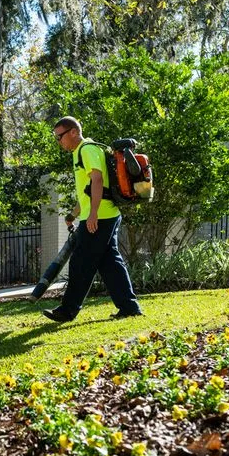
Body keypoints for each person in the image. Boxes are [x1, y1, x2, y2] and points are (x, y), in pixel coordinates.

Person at [43, 116, 143, 322]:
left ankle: (67, 310)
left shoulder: (86, 149)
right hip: (107, 214)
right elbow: (89, 189)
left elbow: (97, 180)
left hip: (100, 216)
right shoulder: (86, 150)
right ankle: (129, 307)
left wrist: (93, 213)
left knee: (81, 262)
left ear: (73, 132)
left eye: (59, 137)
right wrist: (74, 214)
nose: (58, 141)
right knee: (110, 263)